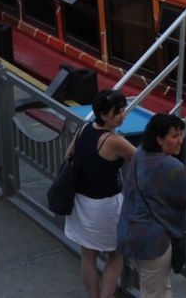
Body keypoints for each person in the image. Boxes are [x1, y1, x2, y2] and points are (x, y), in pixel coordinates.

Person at [117, 113, 186, 297]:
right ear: (160, 139)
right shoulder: (169, 165)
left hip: (130, 232)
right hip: (153, 242)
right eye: (174, 136)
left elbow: (172, 175)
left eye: (181, 135)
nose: (180, 140)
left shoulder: (141, 152)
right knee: (152, 292)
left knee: (161, 287)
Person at [66, 91, 138, 298]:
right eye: (118, 112)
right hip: (105, 205)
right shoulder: (114, 140)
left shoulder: (83, 129)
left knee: (88, 254)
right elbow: (142, 160)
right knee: (116, 254)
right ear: (104, 115)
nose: (123, 115)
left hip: (81, 201)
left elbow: (68, 156)